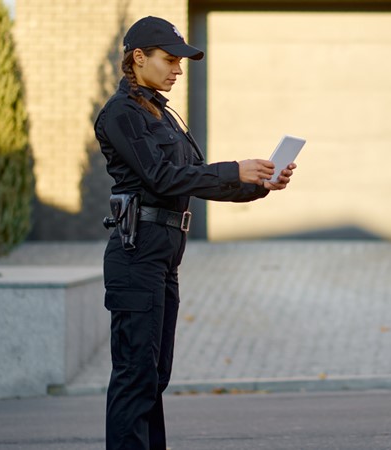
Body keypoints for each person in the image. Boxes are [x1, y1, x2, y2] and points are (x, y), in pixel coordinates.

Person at [94, 16, 296, 450]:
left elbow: (192, 179)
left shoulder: (162, 115)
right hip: (137, 255)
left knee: (155, 375)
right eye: (170, 60)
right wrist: (233, 168)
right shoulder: (122, 114)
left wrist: (258, 184)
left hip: (164, 257)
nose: (178, 70)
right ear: (139, 57)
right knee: (135, 375)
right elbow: (162, 177)